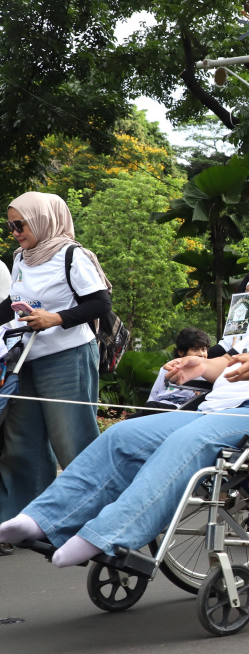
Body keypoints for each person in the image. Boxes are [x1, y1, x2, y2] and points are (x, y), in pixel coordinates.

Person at [0, 245, 249, 568]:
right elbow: (233, 364)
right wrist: (201, 366)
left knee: (187, 442)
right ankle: (41, 519)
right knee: (123, 435)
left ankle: (107, 534)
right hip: (217, 411)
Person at [0, 192, 112, 523]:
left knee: (73, 441)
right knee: (22, 444)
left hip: (68, 357)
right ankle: (20, 523)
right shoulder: (22, 257)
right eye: (10, 226)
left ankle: (91, 522)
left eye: (20, 224)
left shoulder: (72, 255)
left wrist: (55, 318)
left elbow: (100, 303)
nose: (15, 232)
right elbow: (13, 303)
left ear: (43, 220)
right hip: (26, 360)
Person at [146, 327, 212, 407]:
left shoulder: (207, 374)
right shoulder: (168, 369)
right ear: (181, 352)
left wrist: (199, 395)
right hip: (159, 406)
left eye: (203, 349)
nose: (201, 354)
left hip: (182, 408)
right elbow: (153, 395)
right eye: (195, 349)